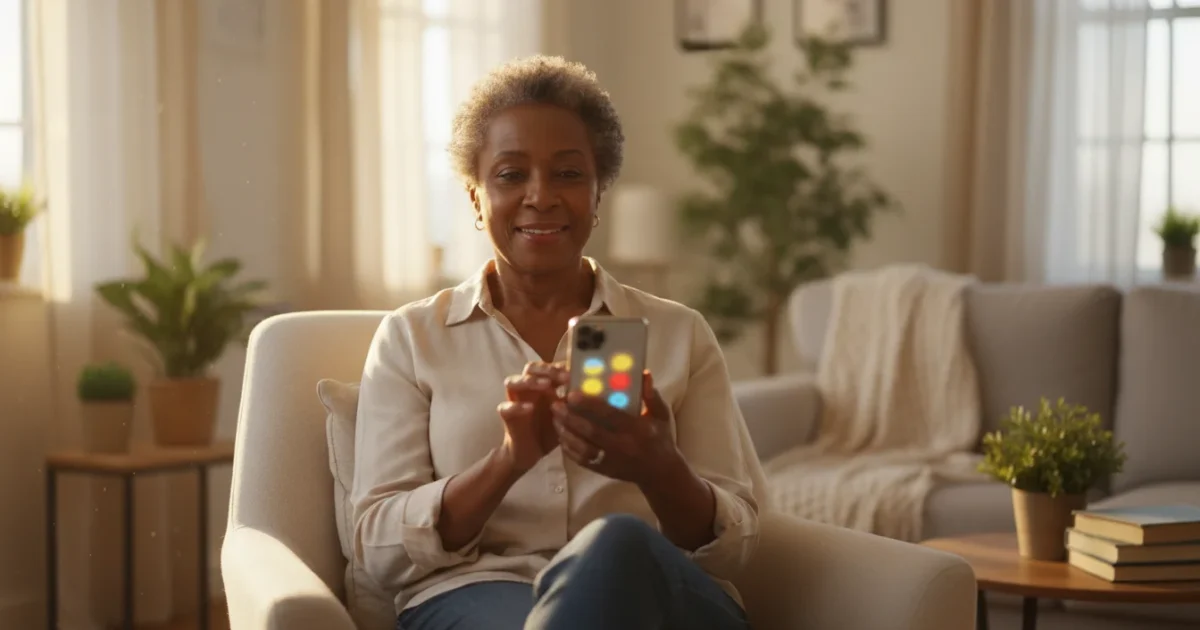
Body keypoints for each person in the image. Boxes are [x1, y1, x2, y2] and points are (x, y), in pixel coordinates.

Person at [350, 54, 766, 630]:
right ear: (475, 198)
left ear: (598, 196)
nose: (541, 196)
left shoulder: (680, 334)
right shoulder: (411, 338)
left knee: (616, 543)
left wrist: (659, 468)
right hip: (480, 593)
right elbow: (377, 546)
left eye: (568, 174)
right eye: (510, 174)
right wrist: (508, 460)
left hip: (657, 595)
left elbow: (738, 545)